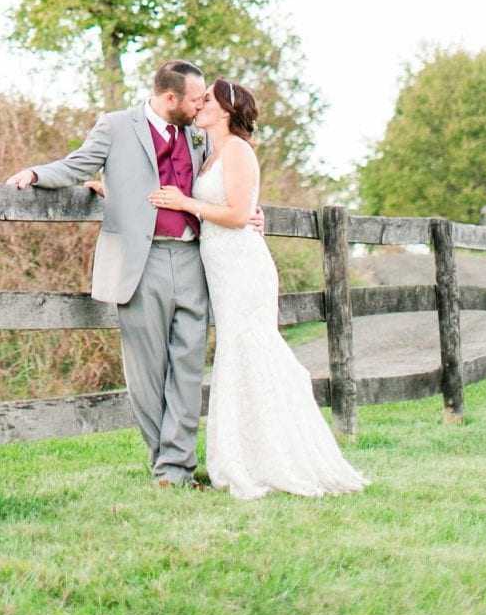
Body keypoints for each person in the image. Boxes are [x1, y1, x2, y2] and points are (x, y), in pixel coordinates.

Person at [6, 60, 226, 488]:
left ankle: (176, 468)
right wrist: (36, 173)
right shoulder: (116, 126)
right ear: (169, 99)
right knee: (146, 372)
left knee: (188, 367)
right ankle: (167, 466)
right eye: (196, 99)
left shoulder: (198, 134)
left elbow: (217, 182)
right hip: (139, 262)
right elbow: (78, 164)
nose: (202, 106)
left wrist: (247, 209)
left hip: (193, 260)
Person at [149, 76, 366, 499]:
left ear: (226, 111)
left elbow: (236, 214)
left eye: (207, 99)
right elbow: (236, 204)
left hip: (243, 267)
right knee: (237, 353)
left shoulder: (238, 150)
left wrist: (186, 203)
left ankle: (278, 458)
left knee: (253, 349)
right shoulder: (210, 153)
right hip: (222, 266)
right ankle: (245, 456)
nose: (199, 104)